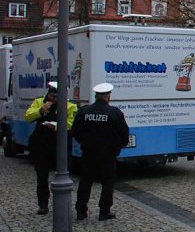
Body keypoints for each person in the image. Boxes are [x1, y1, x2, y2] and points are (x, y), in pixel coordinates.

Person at [72, 83, 129, 221]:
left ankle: (81, 211)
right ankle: (104, 211)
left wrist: (85, 142)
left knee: (85, 181)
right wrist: (118, 145)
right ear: (108, 97)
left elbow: (75, 131)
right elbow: (124, 134)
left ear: (95, 96)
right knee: (108, 183)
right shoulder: (114, 113)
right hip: (108, 154)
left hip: (88, 152)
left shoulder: (84, 111)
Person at [25, 81, 77, 215]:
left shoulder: (70, 106)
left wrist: (56, 126)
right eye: (51, 96)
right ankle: (43, 205)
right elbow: (28, 117)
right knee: (41, 177)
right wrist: (40, 111)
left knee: (62, 177)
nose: (53, 99)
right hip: (41, 146)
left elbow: (71, 124)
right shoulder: (38, 102)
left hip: (59, 146)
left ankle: (62, 203)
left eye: (56, 96)